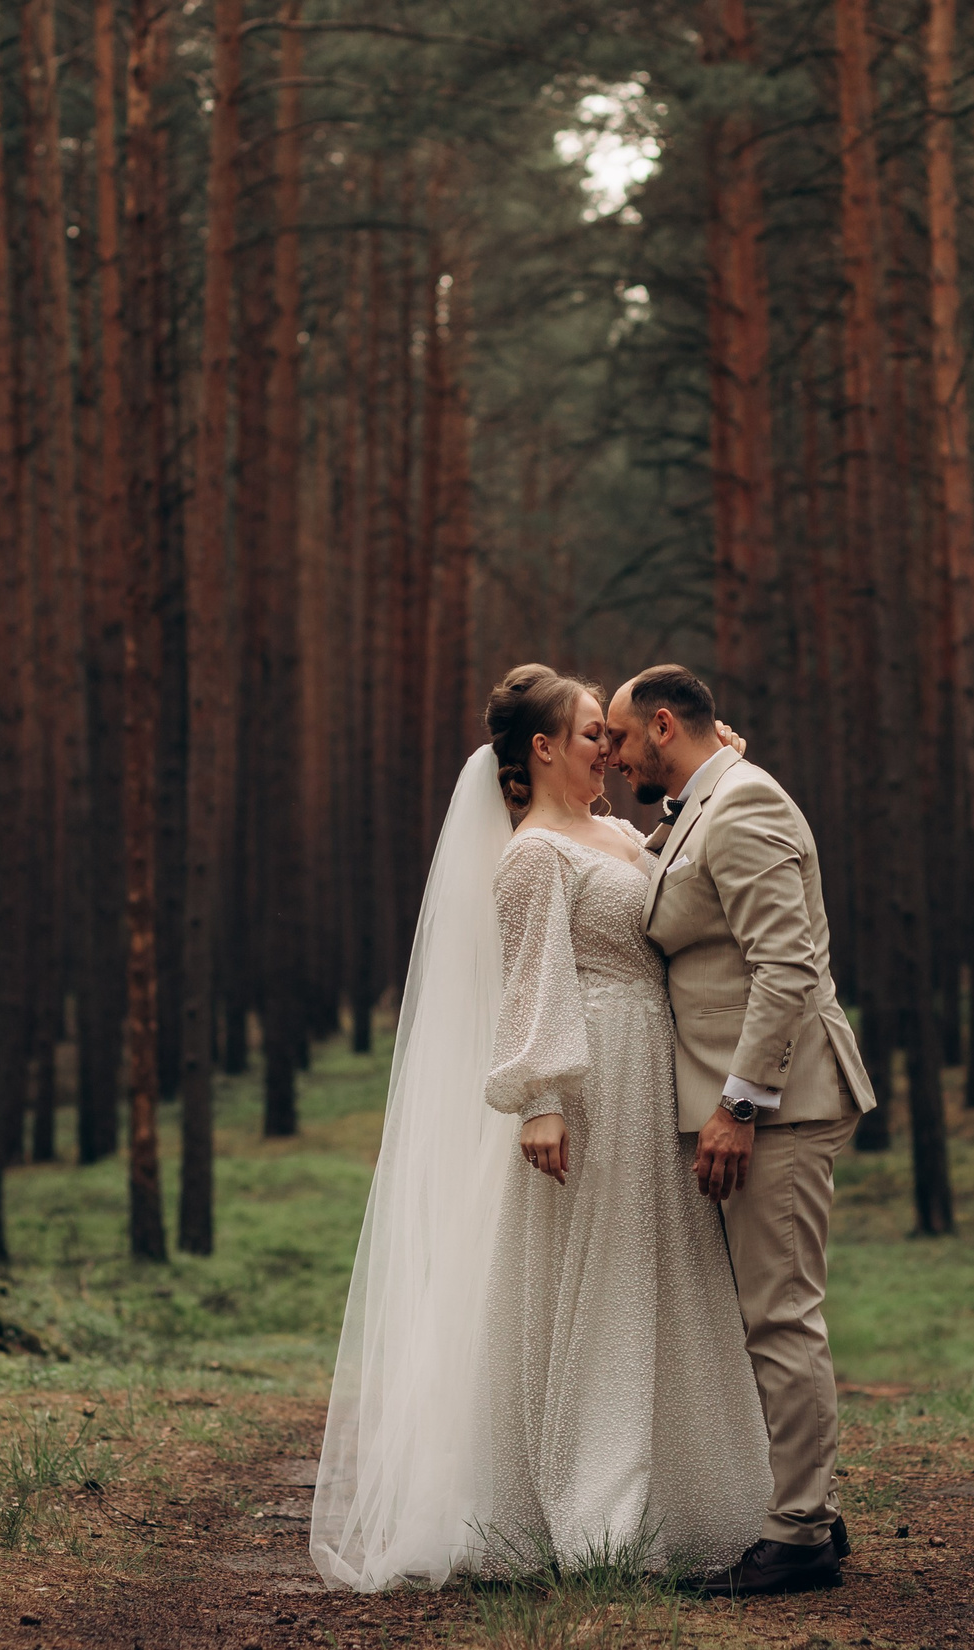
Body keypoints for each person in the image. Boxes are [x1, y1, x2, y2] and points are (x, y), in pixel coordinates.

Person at [309, 665, 770, 1592]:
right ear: (545, 747)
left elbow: (676, 881)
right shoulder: (530, 854)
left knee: (655, 1271)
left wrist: (719, 770)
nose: (613, 744)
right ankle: (595, 1509)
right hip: (592, 1074)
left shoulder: (619, 832)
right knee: (594, 1280)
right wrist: (543, 1098)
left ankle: (682, 1497)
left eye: (613, 729)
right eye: (595, 729)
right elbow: (534, 976)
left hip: (655, 1071)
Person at [607, 663, 877, 1598]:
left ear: (665, 725)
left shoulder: (746, 805)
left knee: (780, 1313)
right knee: (761, 1313)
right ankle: (807, 1505)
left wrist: (738, 1103)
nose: (613, 754)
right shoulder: (710, 800)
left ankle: (799, 1532)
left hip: (783, 1103)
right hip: (757, 1105)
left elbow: (787, 966)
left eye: (622, 737)